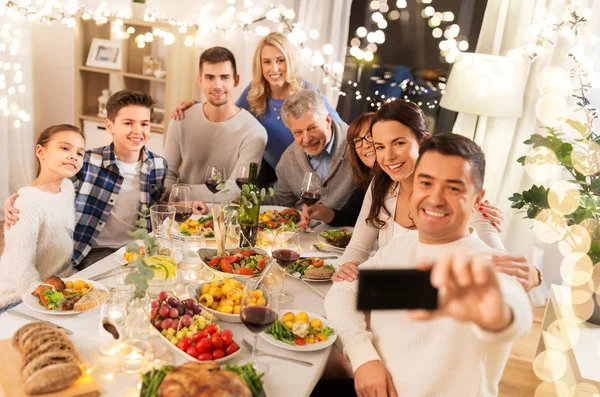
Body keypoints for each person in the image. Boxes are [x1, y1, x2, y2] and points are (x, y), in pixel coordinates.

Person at [322, 133, 533, 397]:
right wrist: (364, 357)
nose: (435, 198)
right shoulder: (399, 248)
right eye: (426, 183)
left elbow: (512, 310)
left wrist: (494, 314)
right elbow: (342, 293)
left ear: (478, 200)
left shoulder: (487, 264)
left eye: (453, 187)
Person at [332, 100, 541, 292]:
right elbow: (358, 249)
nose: (388, 157)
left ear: (423, 141)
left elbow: (500, 262)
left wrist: (533, 274)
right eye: (380, 147)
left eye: (399, 143)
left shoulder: (456, 199)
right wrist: (347, 268)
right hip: (385, 296)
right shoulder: (381, 185)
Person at [4, 90, 168, 270]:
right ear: (110, 125)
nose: (138, 131)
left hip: (140, 249)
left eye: (144, 124)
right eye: (128, 123)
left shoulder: (158, 166)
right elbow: (48, 188)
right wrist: (18, 200)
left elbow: (158, 207)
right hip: (94, 251)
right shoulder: (87, 162)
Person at [171, 32, 343, 187]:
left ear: (289, 61)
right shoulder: (254, 92)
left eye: (280, 60)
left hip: (308, 170)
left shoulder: (308, 91)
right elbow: (231, 115)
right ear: (259, 65)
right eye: (267, 62)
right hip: (272, 173)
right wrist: (197, 105)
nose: (274, 69)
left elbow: (341, 131)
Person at [163, 46, 267, 203]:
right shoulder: (181, 119)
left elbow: (235, 191)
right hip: (182, 211)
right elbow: (166, 174)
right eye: (210, 77)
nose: (217, 85)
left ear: (236, 80)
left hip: (225, 220)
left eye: (224, 77)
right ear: (200, 80)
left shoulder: (254, 132)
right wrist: (180, 202)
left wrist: (178, 192)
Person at [0, 125, 86, 311]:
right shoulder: (28, 202)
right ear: (41, 151)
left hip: (57, 283)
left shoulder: (68, 187)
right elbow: (21, 272)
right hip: (19, 296)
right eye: (65, 148)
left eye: (80, 153)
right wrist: (54, 302)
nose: (74, 156)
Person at [261, 89, 354, 210]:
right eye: (298, 132)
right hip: (302, 227)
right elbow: (281, 200)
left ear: (327, 120)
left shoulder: (356, 145)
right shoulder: (288, 159)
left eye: (312, 128)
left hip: (346, 227)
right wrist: (246, 199)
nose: (306, 140)